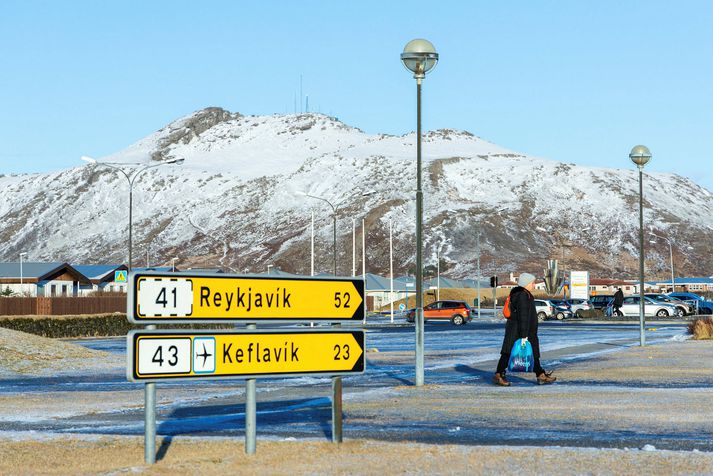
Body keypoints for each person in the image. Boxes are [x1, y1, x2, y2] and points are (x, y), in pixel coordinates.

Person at [493, 273, 556, 386]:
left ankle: (540, 374)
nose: (534, 284)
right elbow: (523, 316)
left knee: (533, 353)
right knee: (508, 353)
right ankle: (499, 375)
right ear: (526, 283)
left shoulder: (524, 294)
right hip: (519, 331)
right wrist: (523, 335)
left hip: (524, 330)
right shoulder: (522, 295)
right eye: (532, 282)